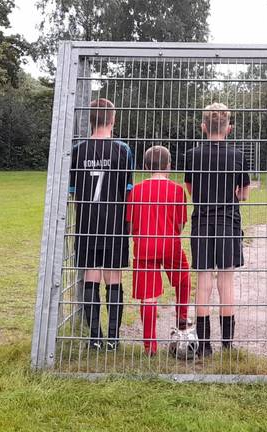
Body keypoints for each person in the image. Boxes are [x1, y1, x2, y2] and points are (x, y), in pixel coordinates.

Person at [185, 102, 251, 357]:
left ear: (203, 127)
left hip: (201, 223)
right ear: (229, 129)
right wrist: (235, 192)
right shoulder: (237, 155)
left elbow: (190, 189)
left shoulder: (193, 154)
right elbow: (244, 193)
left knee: (203, 283)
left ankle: (204, 346)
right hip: (228, 223)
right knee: (226, 282)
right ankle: (227, 343)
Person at [69, 98, 133, 351]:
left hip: (87, 223)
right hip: (115, 224)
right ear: (113, 119)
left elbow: (74, 190)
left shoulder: (78, 150)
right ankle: (114, 339)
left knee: (91, 276)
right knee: (113, 278)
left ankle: (94, 337)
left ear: (90, 120)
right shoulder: (123, 150)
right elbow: (127, 190)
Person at [125, 145, 191, 356]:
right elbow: (180, 225)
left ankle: (150, 346)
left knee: (149, 296)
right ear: (169, 165)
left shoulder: (136, 190)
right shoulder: (178, 190)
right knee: (183, 276)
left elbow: (131, 224)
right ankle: (182, 316)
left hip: (144, 246)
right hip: (170, 244)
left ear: (145, 166)